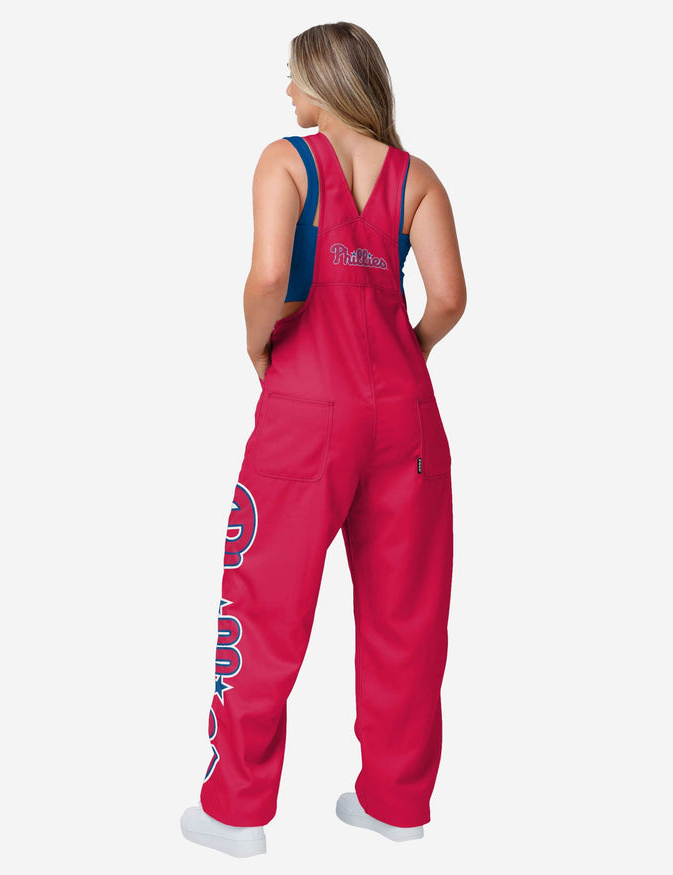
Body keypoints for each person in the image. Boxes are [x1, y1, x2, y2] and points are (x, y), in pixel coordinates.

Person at [180, 21, 466, 858]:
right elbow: (450, 297)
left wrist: (256, 344)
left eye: (295, 76)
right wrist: (409, 354)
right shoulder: (417, 177)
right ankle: (396, 803)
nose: (288, 92)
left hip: (307, 408)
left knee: (264, 603)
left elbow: (271, 275)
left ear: (326, 82)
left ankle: (235, 814)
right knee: (408, 616)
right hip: (408, 416)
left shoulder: (286, 160)